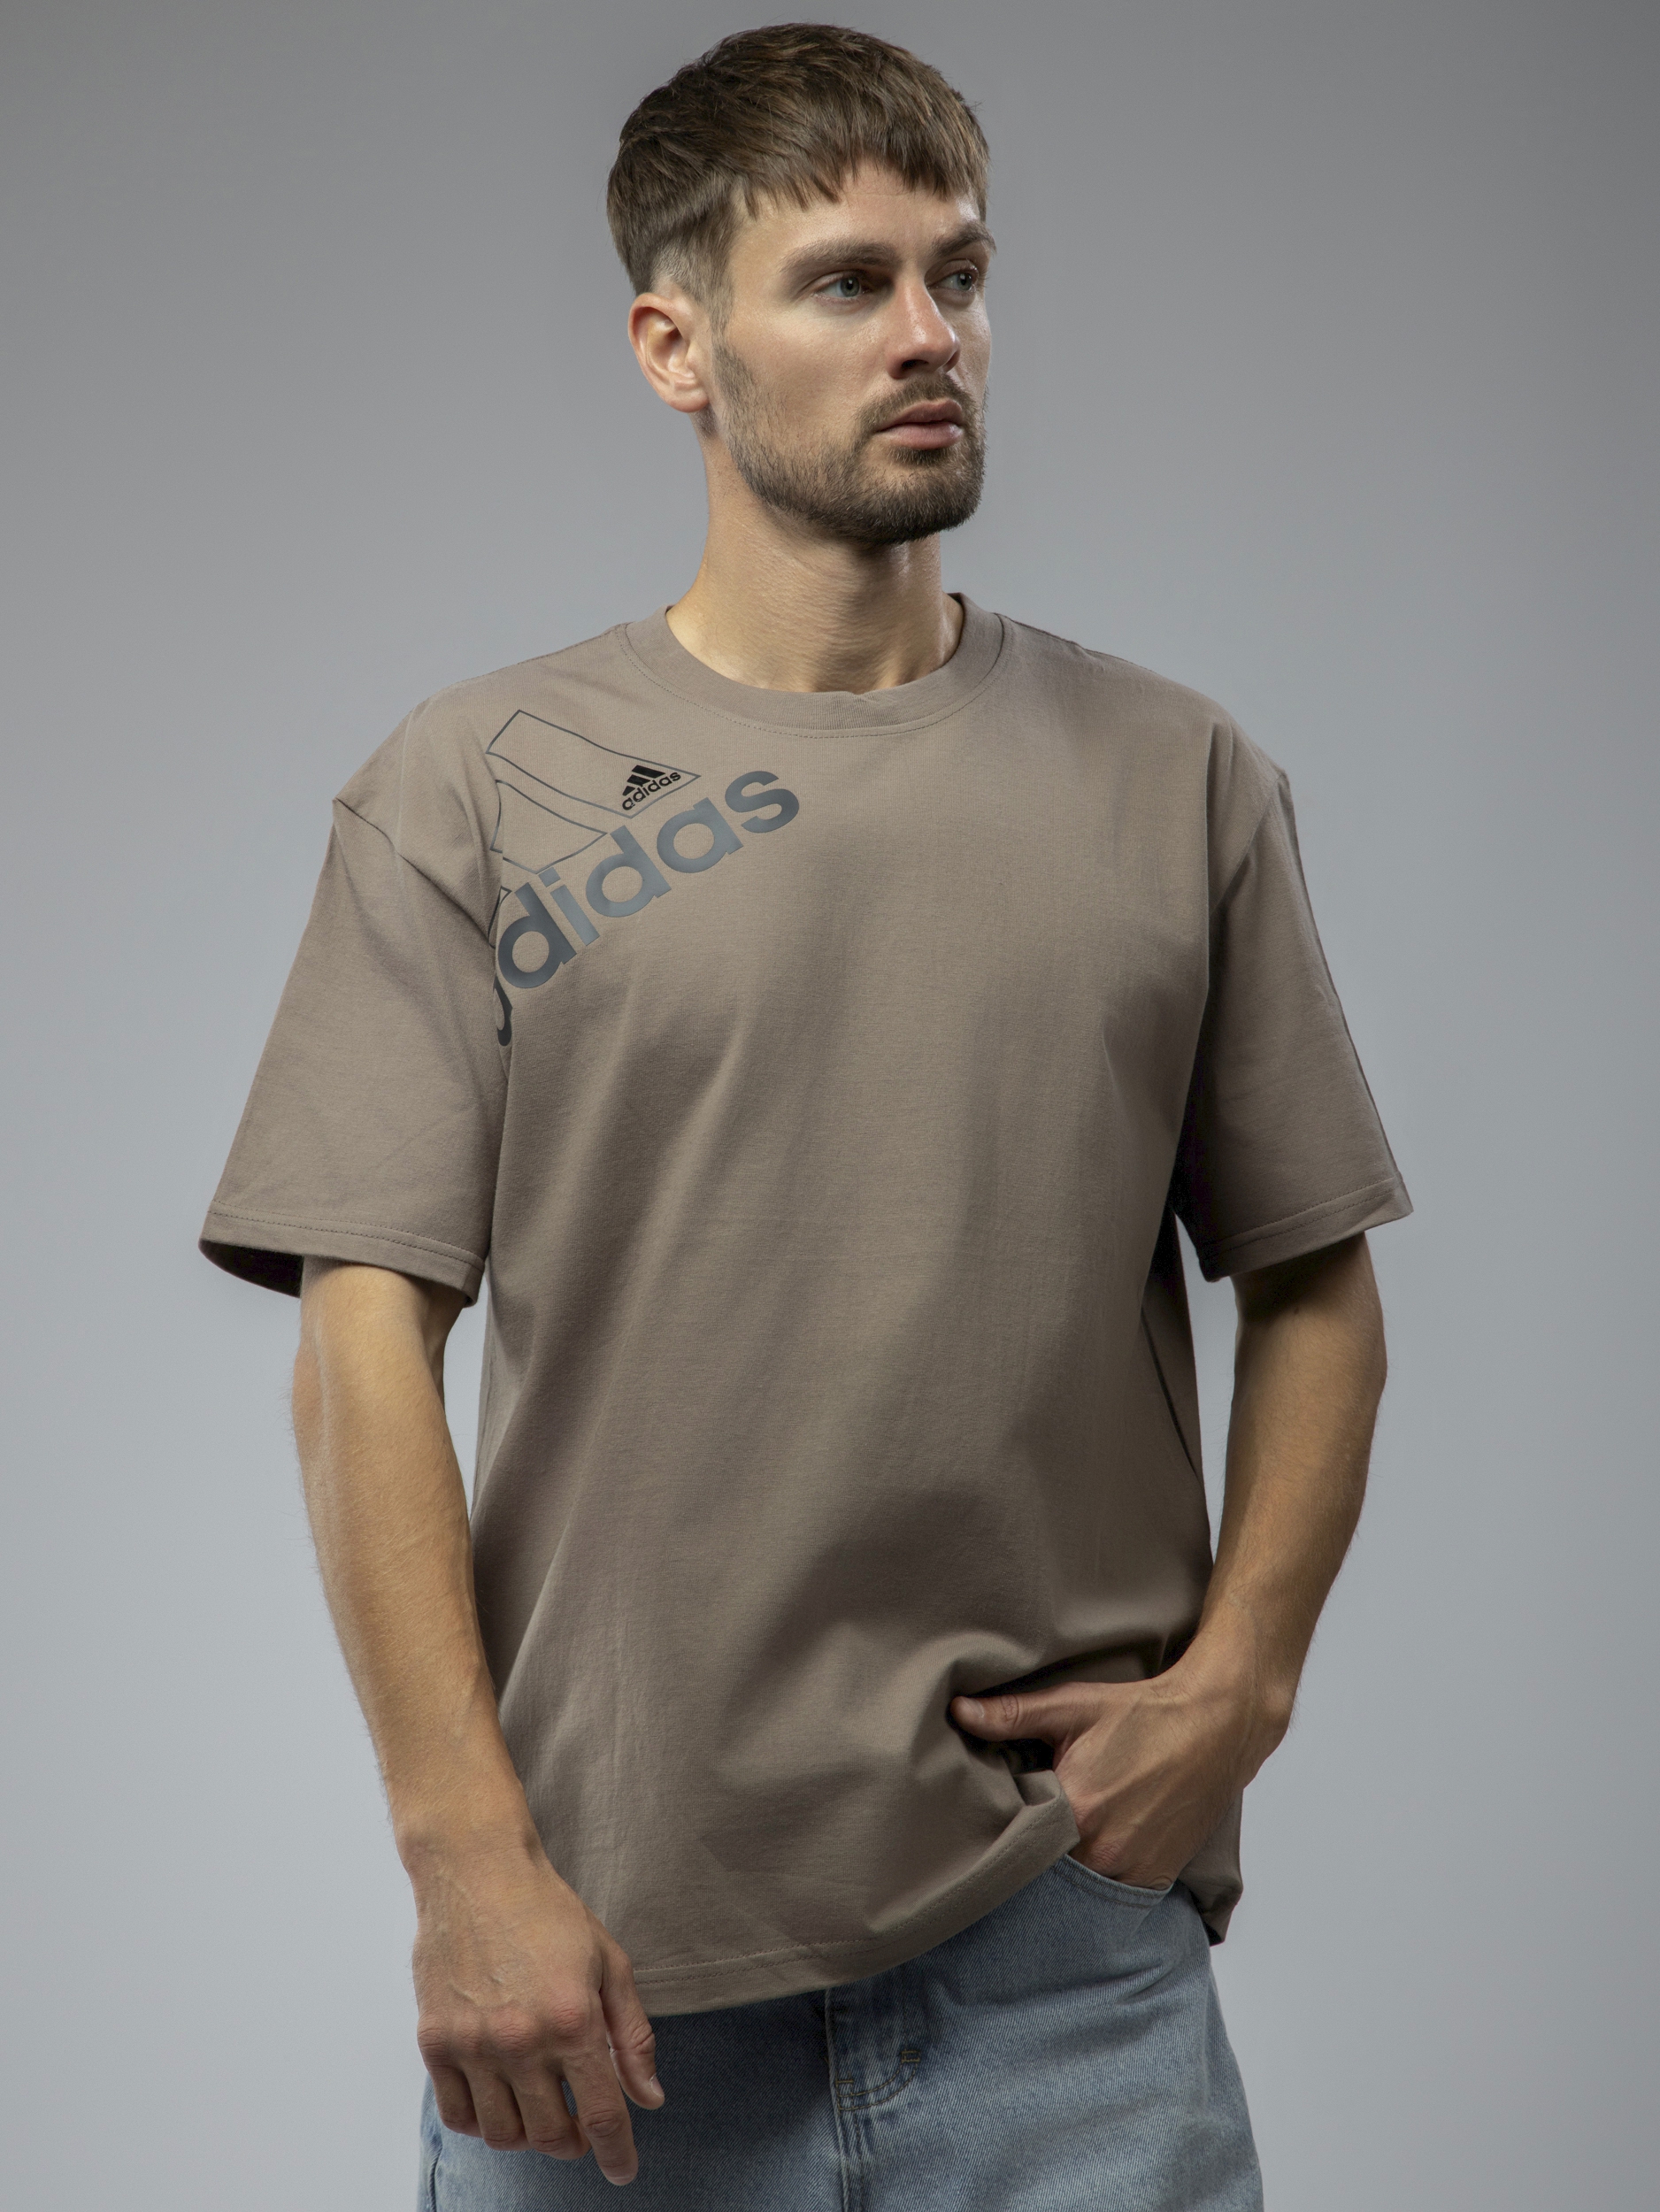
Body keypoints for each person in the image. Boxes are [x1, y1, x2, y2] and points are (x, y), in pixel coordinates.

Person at [201, 22, 1410, 2208]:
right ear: (674, 348)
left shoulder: (1178, 777)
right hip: (603, 1979)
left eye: (959, 274)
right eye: (846, 282)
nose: (928, 333)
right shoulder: (469, 790)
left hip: (1064, 1960)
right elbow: (359, 1344)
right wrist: (463, 1860)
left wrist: (1238, 1685)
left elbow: (1314, 1280)